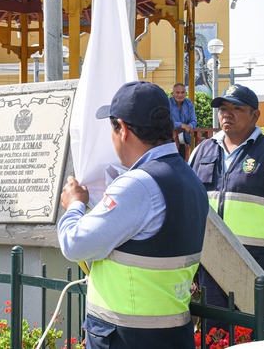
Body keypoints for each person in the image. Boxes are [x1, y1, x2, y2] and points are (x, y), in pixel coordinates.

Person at [57, 81, 209, 348]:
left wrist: (74, 205)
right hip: (172, 333)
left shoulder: (138, 185)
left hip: (127, 337)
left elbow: (75, 243)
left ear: (123, 130)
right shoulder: (189, 178)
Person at [189, 84, 264, 325]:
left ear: (255, 115)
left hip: (257, 263)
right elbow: (189, 206)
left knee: (254, 331)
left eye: (237, 108)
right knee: (216, 332)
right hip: (210, 262)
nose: (227, 114)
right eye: (223, 108)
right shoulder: (202, 150)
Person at [169, 83, 197, 159]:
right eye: (177, 92)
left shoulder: (189, 103)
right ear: (172, 94)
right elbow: (166, 121)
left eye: (182, 92)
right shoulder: (167, 103)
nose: (180, 95)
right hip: (170, 137)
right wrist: (181, 125)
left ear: (186, 94)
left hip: (185, 136)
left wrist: (189, 126)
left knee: (186, 160)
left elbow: (194, 120)